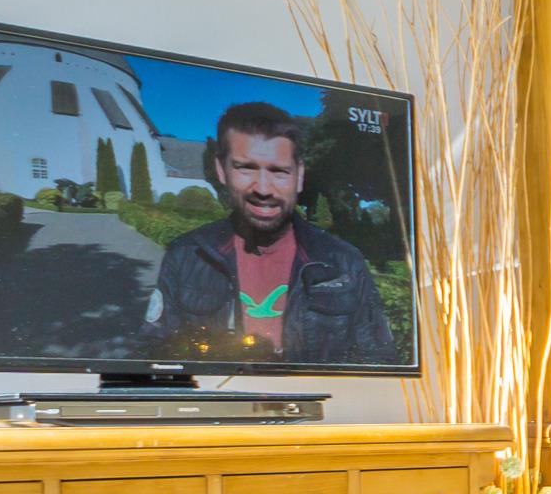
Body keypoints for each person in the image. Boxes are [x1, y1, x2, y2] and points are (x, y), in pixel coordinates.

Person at [148, 103, 398, 363]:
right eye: (246, 168)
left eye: (279, 171)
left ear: (299, 176)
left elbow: (380, 361)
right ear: (222, 171)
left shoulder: (344, 261)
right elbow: (159, 357)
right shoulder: (186, 256)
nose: (264, 189)